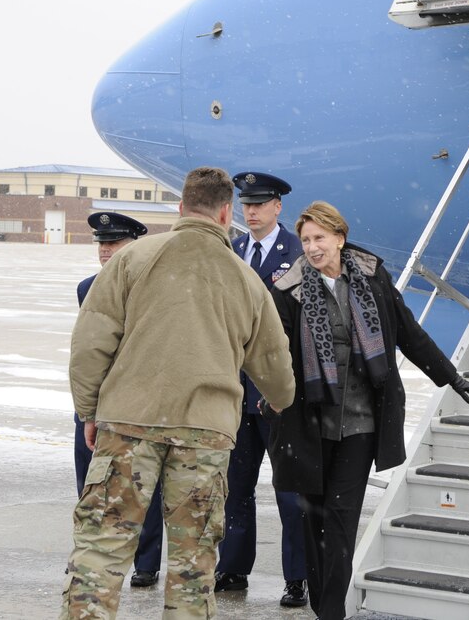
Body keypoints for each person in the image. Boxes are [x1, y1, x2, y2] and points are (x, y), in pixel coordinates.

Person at [62, 167, 296, 619]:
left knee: (102, 550)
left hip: (128, 423)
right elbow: (276, 368)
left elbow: (90, 343)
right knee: (193, 564)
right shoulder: (246, 279)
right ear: (228, 213)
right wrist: (281, 401)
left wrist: (88, 411)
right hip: (204, 435)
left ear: (182, 207)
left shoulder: (134, 260)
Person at [264, 200, 469, 620]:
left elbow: (408, 333)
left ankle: (331, 613)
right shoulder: (287, 291)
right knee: (313, 522)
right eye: (306, 240)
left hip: (360, 424)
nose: (311, 247)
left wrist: (451, 376)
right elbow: (272, 354)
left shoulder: (371, 277)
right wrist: (269, 394)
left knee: (341, 522)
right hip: (307, 425)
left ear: (340, 238)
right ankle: (323, 604)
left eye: (319, 238)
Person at [213, 172, 308, 607]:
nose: (251, 211)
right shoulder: (230, 252)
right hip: (236, 393)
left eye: (259, 203)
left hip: (278, 395)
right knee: (236, 487)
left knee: (290, 492)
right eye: (246, 204)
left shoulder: (298, 255)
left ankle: (297, 577)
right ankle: (232, 569)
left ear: (278, 207)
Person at [71, 211, 165, 589]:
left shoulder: (153, 287)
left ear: (134, 245)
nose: (106, 250)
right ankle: (88, 556)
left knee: (145, 481)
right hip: (99, 397)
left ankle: (146, 560)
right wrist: (85, 407)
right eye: (102, 243)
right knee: (89, 481)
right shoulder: (86, 288)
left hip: (141, 398)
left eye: (114, 242)